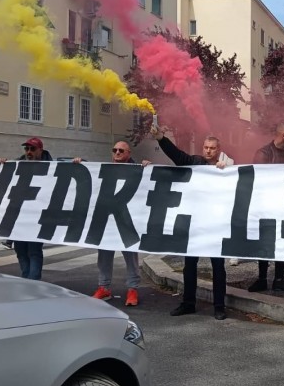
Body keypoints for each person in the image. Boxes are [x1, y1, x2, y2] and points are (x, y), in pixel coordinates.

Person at [150, 125, 230, 320]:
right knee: (190, 265)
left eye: (212, 148)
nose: (208, 151)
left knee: (218, 267)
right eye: (206, 147)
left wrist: (226, 169)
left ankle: (219, 306)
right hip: (194, 224)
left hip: (215, 225)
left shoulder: (226, 167)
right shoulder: (194, 162)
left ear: (218, 150)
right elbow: (177, 155)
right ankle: (188, 303)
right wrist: (161, 138)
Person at [77, 141, 145, 306]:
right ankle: (104, 287)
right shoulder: (105, 168)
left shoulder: (138, 170)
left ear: (129, 153)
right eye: (114, 150)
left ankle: (132, 289)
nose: (117, 153)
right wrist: (80, 164)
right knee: (104, 256)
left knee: (131, 256)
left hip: (126, 221)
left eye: (121, 150)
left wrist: (148, 167)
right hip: (106, 221)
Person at [248, 122, 284, 293]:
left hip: (282, 204)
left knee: (280, 240)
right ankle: (262, 278)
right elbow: (258, 179)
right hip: (265, 205)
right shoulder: (263, 153)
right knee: (265, 241)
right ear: (283, 135)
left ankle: (279, 279)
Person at [0, 137, 52, 279]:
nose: (29, 152)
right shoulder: (18, 164)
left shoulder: (52, 167)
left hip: (37, 216)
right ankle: (26, 278)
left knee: (34, 251)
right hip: (19, 216)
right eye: (26, 149)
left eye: (32, 149)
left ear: (40, 150)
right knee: (20, 251)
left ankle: (33, 282)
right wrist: (3, 164)